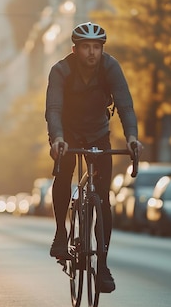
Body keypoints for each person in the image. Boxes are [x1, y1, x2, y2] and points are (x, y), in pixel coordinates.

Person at [45, 21, 142, 293]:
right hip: (67, 132)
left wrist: (132, 137)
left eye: (96, 47)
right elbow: (53, 108)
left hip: (98, 133)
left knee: (103, 198)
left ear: (101, 50)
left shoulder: (111, 68)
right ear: (75, 49)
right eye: (86, 47)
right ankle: (61, 235)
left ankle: (102, 266)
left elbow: (125, 105)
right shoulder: (61, 71)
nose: (91, 53)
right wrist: (58, 139)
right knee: (64, 173)